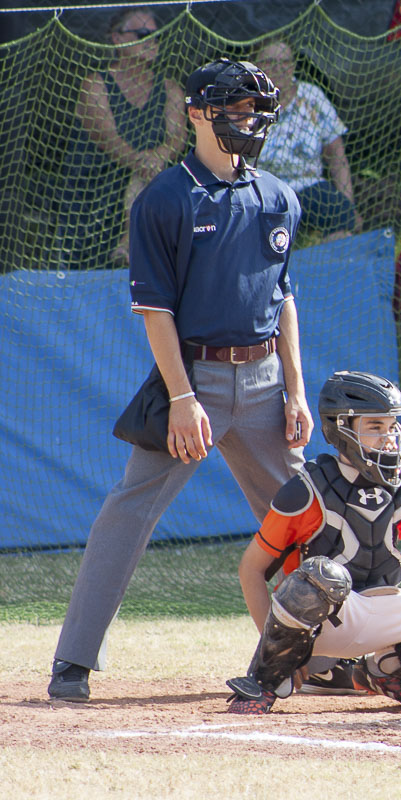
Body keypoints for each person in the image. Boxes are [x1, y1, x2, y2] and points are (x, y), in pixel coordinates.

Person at [48, 58, 312, 703]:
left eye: (256, 111)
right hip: (194, 383)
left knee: (307, 521)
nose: (248, 122)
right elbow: (154, 309)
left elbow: (283, 300)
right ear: (197, 113)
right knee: (128, 511)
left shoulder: (278, 195)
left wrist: (297, 391)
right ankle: (73, 661)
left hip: (266, 384)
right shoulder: (165, 198)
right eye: (234, 110)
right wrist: (183, 398)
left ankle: (331, 653)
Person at [224, 370, 401, 714]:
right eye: (375, 427)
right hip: (323, 624)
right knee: (325, 575)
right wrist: (278, 654)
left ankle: (386, 671)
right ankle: (264, 683)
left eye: (392, 426)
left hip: (381, 611)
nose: (389, 438)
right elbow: (251, 570)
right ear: (340, 428)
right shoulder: (310, 489)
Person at [59, 8, 188, 268]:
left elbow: (178, 137)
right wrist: (145, 163)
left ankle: (127, 243)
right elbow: (107, 139)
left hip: (154, 182)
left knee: (150, 183)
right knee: (142, 180)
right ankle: (127, 241)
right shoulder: (95, 85)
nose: (152, 41)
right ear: (118, 39)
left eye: (156, 35)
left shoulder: (170, 88)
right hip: (99, 188)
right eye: (143, 34)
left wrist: (156, 159)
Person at [253, 39, 360, 243]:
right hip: (265, 190)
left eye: (285, 62)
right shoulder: (245, 104)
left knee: (341, 213)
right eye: (270, 62)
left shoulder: (312, 97)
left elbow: (337, 157)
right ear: (256, 68)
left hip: (309, 186)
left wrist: (349, 205)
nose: (279, 69)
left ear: (293, 66)